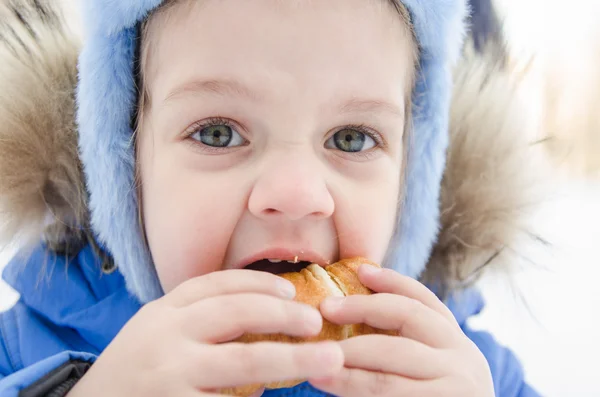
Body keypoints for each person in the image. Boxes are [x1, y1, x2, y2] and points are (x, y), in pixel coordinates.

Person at [0, 0, 543, 396]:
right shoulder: (28, 352)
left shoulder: (469, 373)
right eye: (218, 133)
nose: (295, 194)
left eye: (351, 138)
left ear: (410, 180)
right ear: (125, 167)